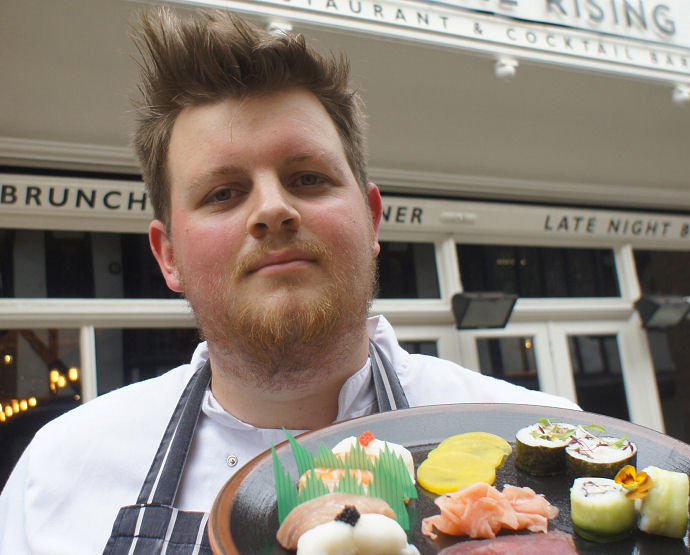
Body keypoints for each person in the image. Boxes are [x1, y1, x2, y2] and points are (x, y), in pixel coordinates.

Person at [0, 7, 579, 553]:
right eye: (223, 193)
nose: (273, 209)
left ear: (372, 219)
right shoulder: (56, 472)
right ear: (167, 254)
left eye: (307, 177)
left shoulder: (544, 439)